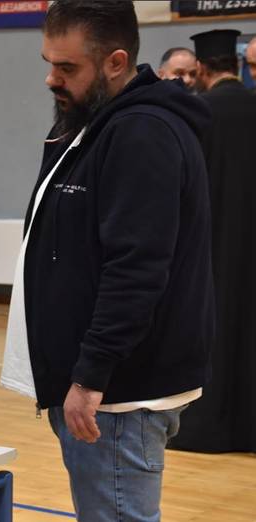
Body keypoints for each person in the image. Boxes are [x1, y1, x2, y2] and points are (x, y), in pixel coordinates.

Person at [0, 1, 214, 520]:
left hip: (118, 396)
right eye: (49, 63)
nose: (51, 78)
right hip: (104, 390)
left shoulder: (141, 133)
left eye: (67, 67)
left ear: (116, 62)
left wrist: (90, 376)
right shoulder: (95, 122)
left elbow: (136, 268)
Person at [167, 30, 256, 453]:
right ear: (237, 65)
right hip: (250, 244)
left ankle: (204, 427)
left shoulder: (196, 112)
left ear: (201, 68)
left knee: (211, 330)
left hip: (208, 244)